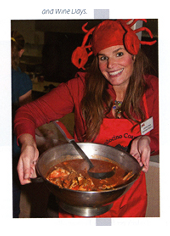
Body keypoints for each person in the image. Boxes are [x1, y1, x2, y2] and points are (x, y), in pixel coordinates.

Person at [14, 20, 159, 217]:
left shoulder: (154, 89)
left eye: (119, 53)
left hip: (130, 195)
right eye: (103, 57)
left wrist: (147, 141)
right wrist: (28, 143)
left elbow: (161, 135)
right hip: (83, 197)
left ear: (133, 54)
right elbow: (27, 113)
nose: (111, 65)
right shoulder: (80, 88)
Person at [12, 31, 32, 218]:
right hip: (11, 147)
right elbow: (26, 116)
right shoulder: (22, 80)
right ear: (21, 52)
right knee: (11, 201)